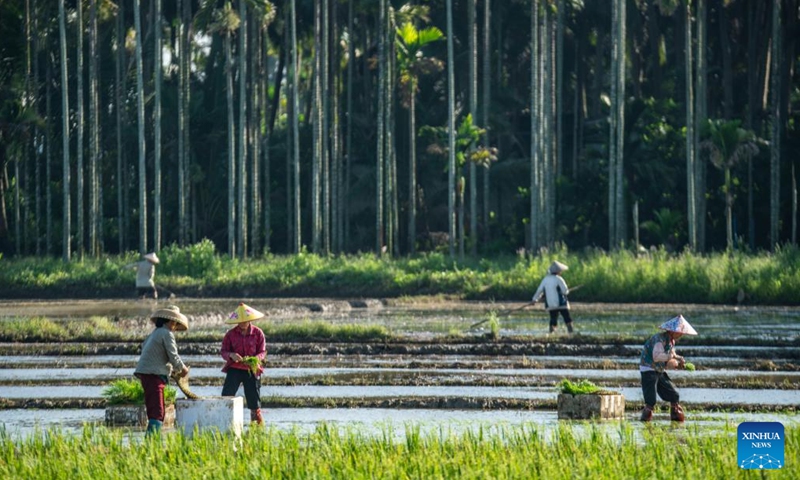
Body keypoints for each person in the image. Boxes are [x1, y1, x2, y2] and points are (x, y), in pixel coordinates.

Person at [134, 305, 190, 436]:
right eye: (175, 323)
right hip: (153, 375)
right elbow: (173, 356)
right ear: (171, 321)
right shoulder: (167, 333)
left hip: (147, 374)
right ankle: (152, 444)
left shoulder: (155, 333)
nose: (175, 326)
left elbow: (157, 354)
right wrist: (183, 370)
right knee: (157, 412)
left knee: (155, 410)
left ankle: (152, 442)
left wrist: (171, 369)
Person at [639, 315, 698, 423]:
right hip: (648, 368)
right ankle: (645, 422)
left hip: (659, 369)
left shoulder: (671, 341)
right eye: (679, 332)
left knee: (674, 395)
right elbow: (657, 357)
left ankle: (676, 419)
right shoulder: (659, 340)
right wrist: (670, 357)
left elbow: (672, 355)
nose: (681, 334)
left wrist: (679, 360)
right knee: (651, 401)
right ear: (672, 331)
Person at [221, 302, 267, 425]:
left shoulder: (258, 333)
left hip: (251, 369)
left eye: (244, 321)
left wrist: (255, 359)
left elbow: (262, 352)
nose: (242, 323)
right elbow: (224, 351)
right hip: (235, 368)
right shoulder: (230, 334)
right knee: (226, 397)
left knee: (254, 402)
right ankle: (225, 423)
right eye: (240, 321)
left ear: (249, 320)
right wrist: (231, 355)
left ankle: (256, 428)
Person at [532, 260, 574, 333]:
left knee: (553, 318)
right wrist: (567, 291)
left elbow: (539, 290)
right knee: (567, 317)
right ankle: (571, 332)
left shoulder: (545, 279)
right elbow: (565, 291)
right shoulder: (559, 279)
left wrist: (534, 299)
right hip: (561, 303)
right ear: (558, 271)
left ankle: (551, 333)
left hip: (550, 304)